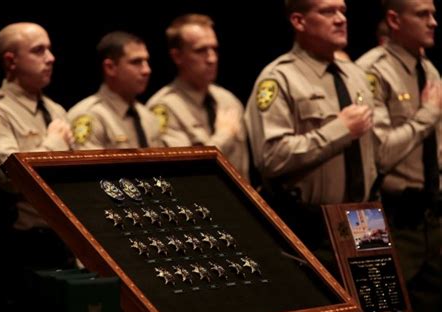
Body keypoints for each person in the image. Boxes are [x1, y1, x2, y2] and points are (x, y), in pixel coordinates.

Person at [244, 0, 377, 277]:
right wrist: (340, 129)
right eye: (328, 11)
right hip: (310, 232)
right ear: (298, 21)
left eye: (343, 10)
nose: (340, 19)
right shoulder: (279, 78)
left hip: (364, 221)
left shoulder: (356, 75)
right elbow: (271, 158)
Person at [0, 22, 74, 312]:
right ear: (10, 61)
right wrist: (53, 144)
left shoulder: (56, 110)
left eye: (50, 49)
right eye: (38, 50)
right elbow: (13, 179)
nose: (50, 57)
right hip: (19, 250)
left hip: (62, 242)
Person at [357, 0, 441, 312]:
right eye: (422, 14)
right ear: (394, 19)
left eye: (433, 14)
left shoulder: (429, 69)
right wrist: (426, 115)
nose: (433, 22)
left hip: (431, 216)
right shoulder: (371, 71)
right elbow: (380, 154)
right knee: (386, 307)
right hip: (389, 218)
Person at [146, 14, 249, 179]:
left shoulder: (228, 100)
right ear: (177, 56)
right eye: (200, 51)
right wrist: (223, 136)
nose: (211, 58)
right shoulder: (163, 108)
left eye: (214, 49)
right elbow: (182, 172)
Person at [68, 31, 162, 149]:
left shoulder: (147, 116)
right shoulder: (90, 115)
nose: (146, 70)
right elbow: (88, 167)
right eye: (136, 62)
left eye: (146, 61)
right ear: (110, 67)